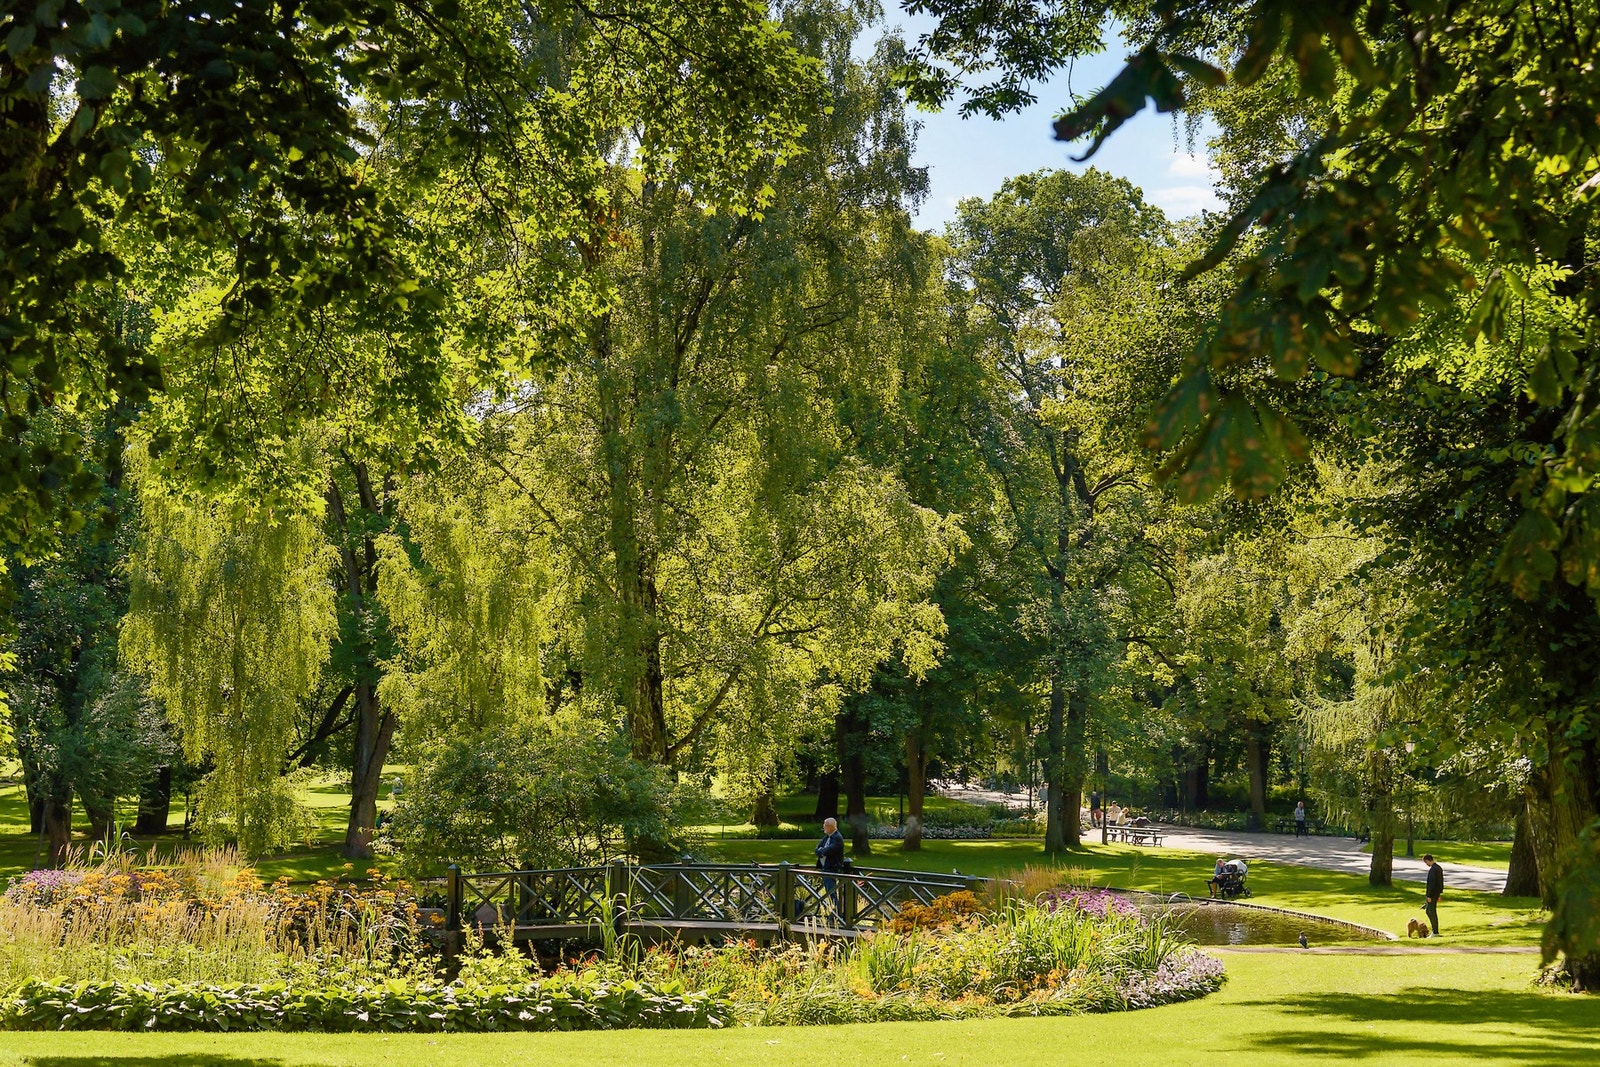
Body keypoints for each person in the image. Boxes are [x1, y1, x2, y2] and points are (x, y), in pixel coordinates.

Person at [814, 817, 845, 915]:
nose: (824, 827)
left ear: (831, 826)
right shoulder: (827, 837)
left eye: (825, 825)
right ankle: (834, 913)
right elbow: (817, 849)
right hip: (825, 868)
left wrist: (822, 851)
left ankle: (836, 914)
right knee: (829, 891)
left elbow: (827, 851)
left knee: (831, 892)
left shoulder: (837, 838)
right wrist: (821, 851)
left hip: (832, 868)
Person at [1423, 854, 1444, 936]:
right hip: (1436, 893)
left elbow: (1432, 883)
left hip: (1432, 894)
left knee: (1431, 911)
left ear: (1428, 860)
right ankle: (1434, 930)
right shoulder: (1438, 868)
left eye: (1426, 862)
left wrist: (1429, 896)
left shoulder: (1433, 870)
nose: (1426, 864)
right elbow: (1440, 882)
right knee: (1428, 910)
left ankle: (1435, 931)